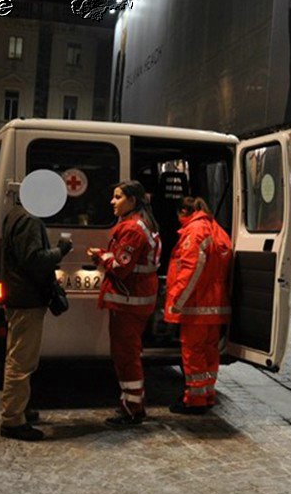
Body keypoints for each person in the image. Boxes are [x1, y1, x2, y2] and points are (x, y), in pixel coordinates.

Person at [0, 182, 73, 442]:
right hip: (27, 299)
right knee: (21, 361)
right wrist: (61, 251)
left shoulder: (15, 215)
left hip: (19, 296)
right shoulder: (30, 220)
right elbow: (34, 260)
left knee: (18, 355)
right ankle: (12, 420)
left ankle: (20, 408)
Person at [88, 180, 161, 427]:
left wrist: (100, 256)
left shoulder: (132, 229)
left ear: (132, 201)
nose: (112, 201)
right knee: (129, 354)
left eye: (118, 197)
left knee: (126, 356)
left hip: (128, 302)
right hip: (134, 300)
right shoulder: (141, 224)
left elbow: (120, 268)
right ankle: (132, 403)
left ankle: (132, 409)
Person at [164, 196, 233, 414]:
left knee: (193, 352)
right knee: (209, 350)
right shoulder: (216, 228)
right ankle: (207, 394)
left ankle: (194, 400)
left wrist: (177, 300)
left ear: (183, 212)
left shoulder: (194, 232)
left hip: (196, 305)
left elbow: (191, 270)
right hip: (215, 304)